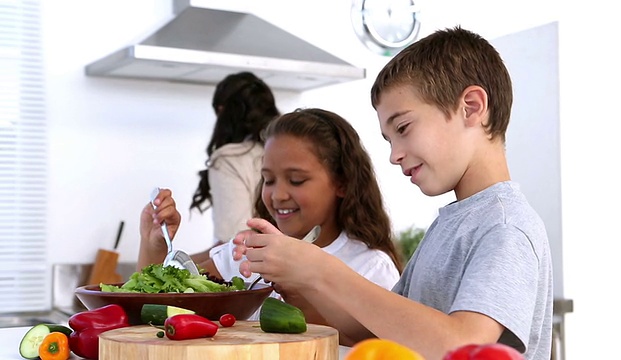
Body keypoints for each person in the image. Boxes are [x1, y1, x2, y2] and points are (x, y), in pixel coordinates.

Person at [232, 26, 553, 360]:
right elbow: (377, 333)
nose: (394, 154)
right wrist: (297, 283)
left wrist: (320, 268)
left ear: (471, 107)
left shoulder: (505, 226)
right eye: (389, 139)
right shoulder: (449, 224)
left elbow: (463, 347)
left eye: (403, 128)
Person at [139, 108, 403, 341]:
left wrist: (299, 292)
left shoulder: (371, 267)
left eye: (297, 180)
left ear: (342, 183)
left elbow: (376, 349)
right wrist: (154, 246)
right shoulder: (245, 254)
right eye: (268, 179)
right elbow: (159, 309)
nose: (277, 195)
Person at [189, 71, 280, 258]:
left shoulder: (229, 160)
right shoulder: (284, 150)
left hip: (252, 272)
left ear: (222, 111)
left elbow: (234, 242)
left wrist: (175, 265)